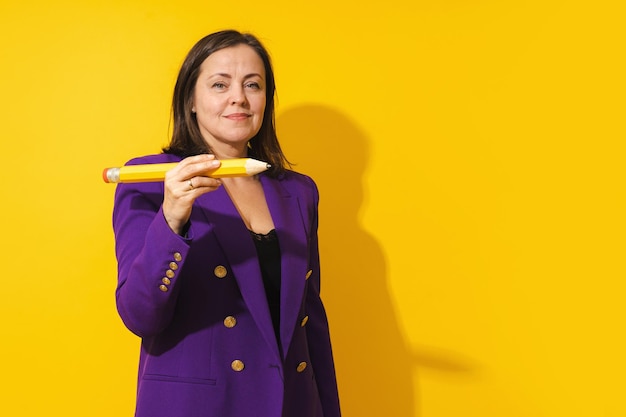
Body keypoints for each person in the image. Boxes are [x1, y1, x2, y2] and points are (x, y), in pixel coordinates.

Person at [111, 30, 341, 417]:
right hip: (199, 406)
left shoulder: (299, 191)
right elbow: (140, 315)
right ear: (191, 101)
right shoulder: (149, 180)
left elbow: (310, 321)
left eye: (253, 84)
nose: (239, 97)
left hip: (291, 404)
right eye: (220, 84)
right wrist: (172, 220)